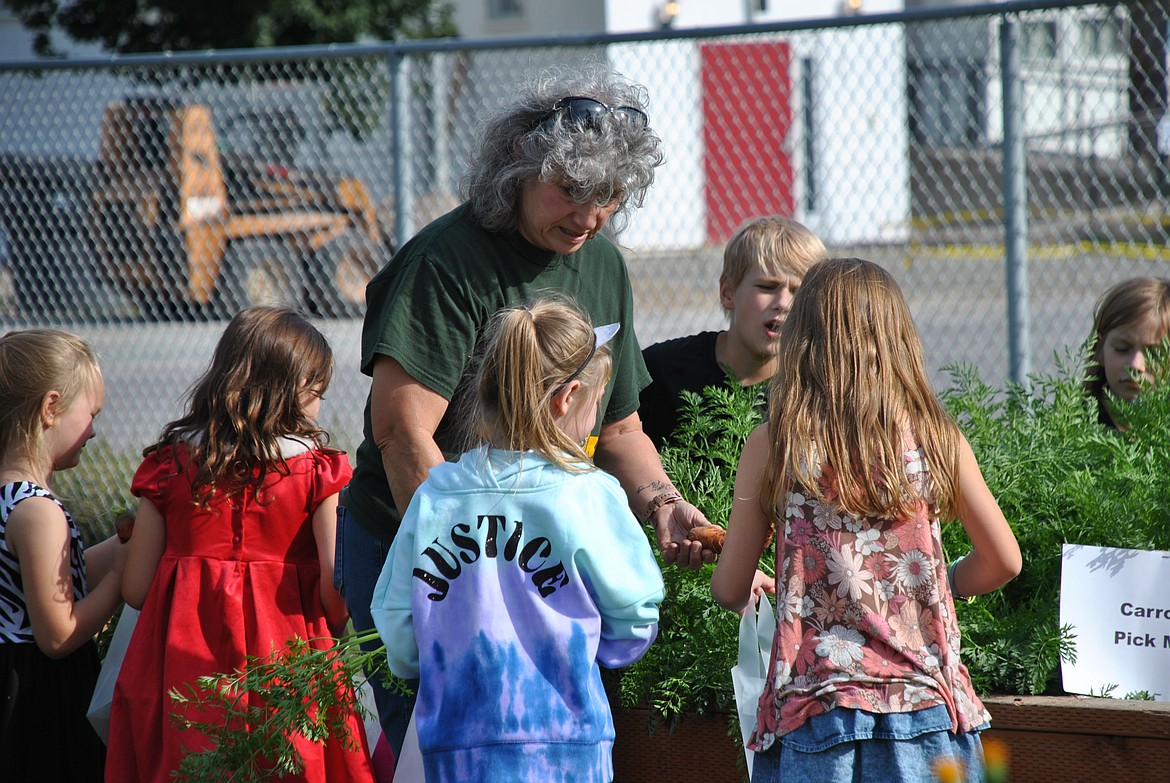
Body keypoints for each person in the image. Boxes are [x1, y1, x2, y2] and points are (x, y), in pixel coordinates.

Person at [340, 63, 713, 759]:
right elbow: (399, 432)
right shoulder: (447, 261)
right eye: (571, 191)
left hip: (535, 554)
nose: (590, 216)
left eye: (609, 197)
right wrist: (470, 568)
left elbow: (622, 427)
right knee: (445, 748)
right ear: (520, 163)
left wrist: (664, 503)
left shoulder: (602, 264)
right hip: (424, 550)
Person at [711, 258, 1022, 783]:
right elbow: (1004, 561)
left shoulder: (773, 445)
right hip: (925, 709)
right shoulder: (937, 439)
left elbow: (729, 587)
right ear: (898, 339)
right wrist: (926, 588)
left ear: (801, 340)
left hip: (815, 708)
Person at [370, 298, 665, 783]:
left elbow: (399, 634)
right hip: (568, 750)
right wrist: (595, 650)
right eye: (596, 405)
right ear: (567, 398)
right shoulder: (588, 494)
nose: (593, 422)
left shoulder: (435, 497)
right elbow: (635, 613)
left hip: (454, 749)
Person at [105, 307, 375, 783]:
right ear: (293, 392)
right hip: (289, 666)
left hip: (181, 668)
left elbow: (136, 588)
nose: (320, 406)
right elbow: (337, 594)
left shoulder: (170, 464)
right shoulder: (316, 473)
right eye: (318, 392)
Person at [0, 328, 126, 782]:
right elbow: (57, 634)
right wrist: (121, 580)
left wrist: (122, 548)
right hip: (38, 696)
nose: (94, 429)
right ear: (51, 407)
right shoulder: (37, 511)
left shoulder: (10, 497)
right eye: (90, 413)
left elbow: (50, 582)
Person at [639, 215, 827, 448]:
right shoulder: (661, 371)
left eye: (798, 292)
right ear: (728, 292)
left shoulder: (816, 391)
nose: (784, 302)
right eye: (767, 287)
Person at [1083, 276, 1170, 431]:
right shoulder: (1076, 426)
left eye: (1154, 354)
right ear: (1100, 348)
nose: (1135, 365)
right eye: (1122, 348)